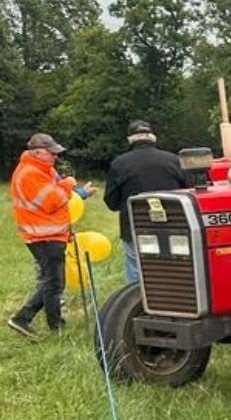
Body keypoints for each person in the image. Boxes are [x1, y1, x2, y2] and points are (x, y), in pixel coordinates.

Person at [8, 133, 97, 337]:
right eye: (52, 153)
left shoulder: (42, 170)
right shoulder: (30, 173)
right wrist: (67, 184)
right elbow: (53, 201)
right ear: (37, 152)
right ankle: (48, 325)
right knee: (54, 283)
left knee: (53, 282)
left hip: (50, 234)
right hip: (43, 236)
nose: (56, 157)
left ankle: (27, 319)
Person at [103, 120, 187, 283]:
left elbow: (112, 203)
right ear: (152, 137)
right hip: (174, 226)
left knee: (137, 271)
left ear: (130, 139)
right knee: (174, 268)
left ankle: (139, 304)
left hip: (134, 227)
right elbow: (190, 191)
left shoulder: (119, 163)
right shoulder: (174, 160)